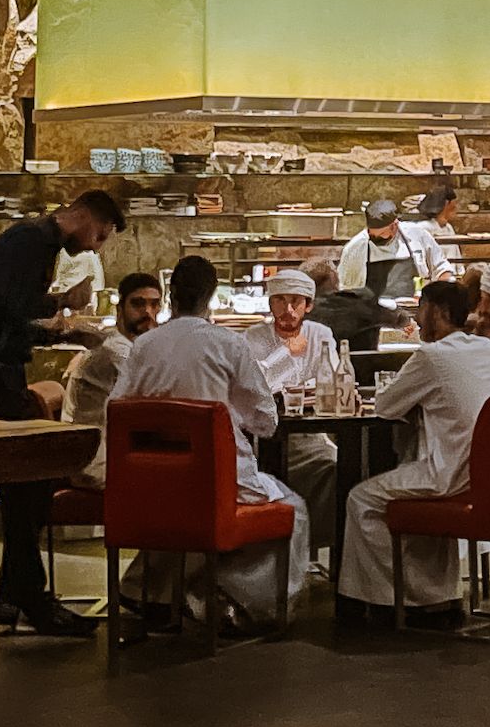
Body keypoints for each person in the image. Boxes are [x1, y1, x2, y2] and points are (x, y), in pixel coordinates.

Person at [0, 189, 126, 636]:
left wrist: (64, 330)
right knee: (30, 479)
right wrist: (65, 303)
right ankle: (31, 600)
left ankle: (14, 595)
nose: (94, 247)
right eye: (98, 235)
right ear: (81, 215)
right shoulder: (31, 242)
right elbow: (14, 308)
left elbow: (7, 319)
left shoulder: (31, 242)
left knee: (25, 485)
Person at [110, 255, 310, 633]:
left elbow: (117, 410)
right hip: (216, 480)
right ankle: (239, 604)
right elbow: (266, 421)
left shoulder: (144, 346)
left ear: (170, 296)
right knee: (293, 509)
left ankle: (152, 590)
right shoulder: (227, 344)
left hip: (154, 479)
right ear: (212, 297)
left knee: (182, 515)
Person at [338, 281, 490, 617]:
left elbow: (386, 405)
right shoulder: (487, 349)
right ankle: (437, 594)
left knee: (362, 499)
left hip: (449, 474)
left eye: (422, 309)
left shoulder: (432, 355)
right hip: (488, 474)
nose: (417, 317)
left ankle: (389, 601)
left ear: (439, 312)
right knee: (398, 485)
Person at [243, 270, 337, 549]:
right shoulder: (252, 338)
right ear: (270, 304)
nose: (288, 309)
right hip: (263, 441)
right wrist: (286, 354)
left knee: (333, 466)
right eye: (280, 300)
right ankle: (279, 550)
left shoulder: (321, 334)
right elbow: (255, 387)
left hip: (311, 440)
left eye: (296, 301)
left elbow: (330, 381)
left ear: (308, 305)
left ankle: (314, 545)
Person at [61, 271, 161, 488]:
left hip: (110, 455)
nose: (148, 312)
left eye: (154, 305)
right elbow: (155, 407)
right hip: (96, 464)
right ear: (119, 310)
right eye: (138, 304)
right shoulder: (115, 352)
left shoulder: (126, 347)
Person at [338, 199, 454, 299]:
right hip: (372, 314)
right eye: (372, 235)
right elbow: (344, 287)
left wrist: (435, 298)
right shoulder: (355, 247)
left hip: (412, 307)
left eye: (382, 233)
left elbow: (442, 267)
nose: (376, 238)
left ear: (395, 226)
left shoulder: (417, 234)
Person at [300, 259, 396, 351]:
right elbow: (397, 319)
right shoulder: (359, 305)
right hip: (361, 366)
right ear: (334, 280)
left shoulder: (297, 313)